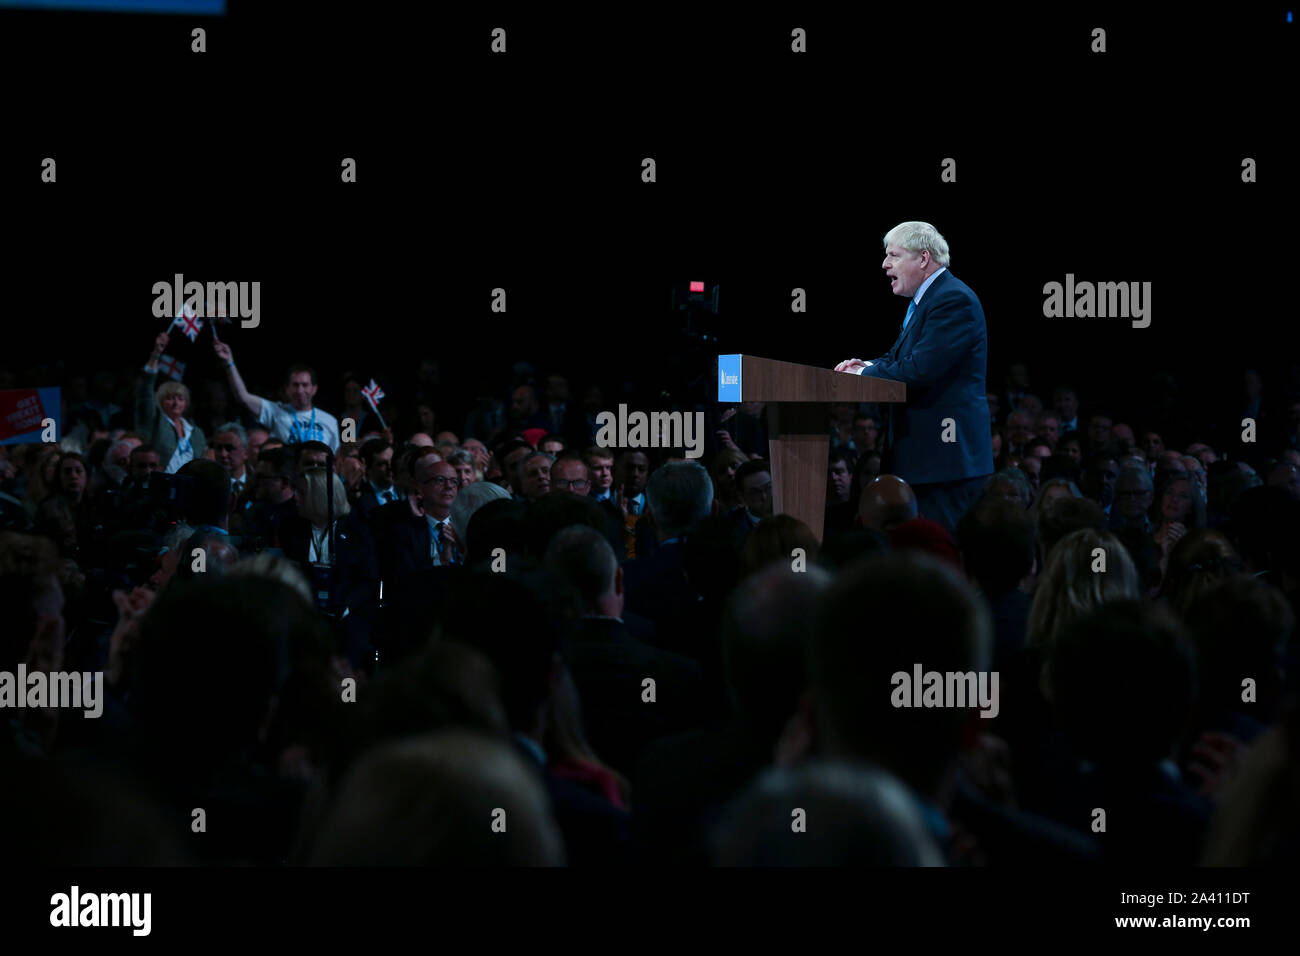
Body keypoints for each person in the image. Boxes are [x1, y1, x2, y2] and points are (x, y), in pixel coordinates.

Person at [835, 222, 994, 534]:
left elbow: (917, 371)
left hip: (944, 466)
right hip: (927, 464)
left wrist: (864, 374)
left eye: (893, 255)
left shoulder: (953, 300)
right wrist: (865, 364)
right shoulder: (927, 301)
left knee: (941, 561)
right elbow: (900, 359)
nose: (884, 264)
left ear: (923, 258)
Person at [215, 341, 340, 452]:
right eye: (295, 385)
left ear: (314, 389)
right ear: (287, 389)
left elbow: (335, 456)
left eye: (305, 385)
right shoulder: (276, 411)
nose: (300, 390)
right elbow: (242, 396)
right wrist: (229, 363)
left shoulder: (329, 421)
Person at [136, 332, 207, 473]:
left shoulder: (195, 431)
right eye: (170, 398)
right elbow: (145, 393)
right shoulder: (155, 421)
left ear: (186, 403)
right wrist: (155, 355)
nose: (176, 403)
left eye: (180, 399)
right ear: (160, 402)